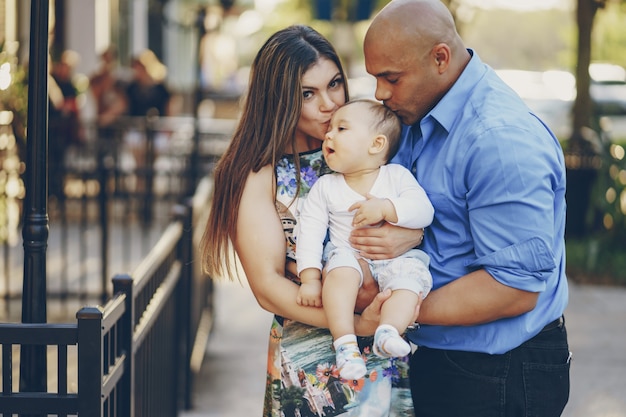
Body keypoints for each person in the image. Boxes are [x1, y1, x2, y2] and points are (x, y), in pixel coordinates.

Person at [355, 1, 571, 416]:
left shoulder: (499, 139)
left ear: (440, 58)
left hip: (497, 374)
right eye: (375, 78)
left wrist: (390, 308)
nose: (380, 93)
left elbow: (514, 288)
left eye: (391, 78)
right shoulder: (418, 110)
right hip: (450, 360)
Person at [201, 25, 421, 417]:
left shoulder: (370, 149)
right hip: (313, 360)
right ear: (279, 98)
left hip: (386, 343)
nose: (330, 104)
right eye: (308, 93)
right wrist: (356, 324)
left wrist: (409, 233)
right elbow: (268, 287)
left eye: (335, 84)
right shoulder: (257, 173)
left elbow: (408, 213)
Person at [296, 99, 434, 381]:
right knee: (340, 272)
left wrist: (387, 208)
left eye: (341, 128)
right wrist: (310, 278)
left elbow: (424, 211)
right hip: (348, 256)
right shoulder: (326, 187)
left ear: (376, 144)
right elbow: (309, 231)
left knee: (409, 284)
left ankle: (389, 331)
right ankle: (345, 344)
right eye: (330, 129)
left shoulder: (396, 177)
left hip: (395, 260)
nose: (328, 134)